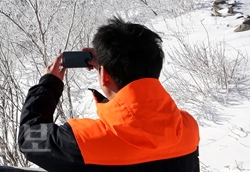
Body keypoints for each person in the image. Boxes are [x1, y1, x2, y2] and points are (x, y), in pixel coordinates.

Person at [18, 17, 199, 171]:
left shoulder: (84, 141)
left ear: (104, 76)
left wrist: (49, 85)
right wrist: (109, 69)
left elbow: (29, 138)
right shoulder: (188, 128)